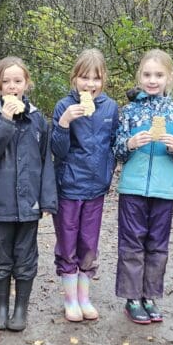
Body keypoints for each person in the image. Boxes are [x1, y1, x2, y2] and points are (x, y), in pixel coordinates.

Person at [112, 49, 173, 324]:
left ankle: (150, 295)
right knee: (131, 243)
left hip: (164, 189)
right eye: (147, 74)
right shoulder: (130, 111)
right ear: (140, 77)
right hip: (133, 188)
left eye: (158, 75)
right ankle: (132, 298)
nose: (152, 80)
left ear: (169, 77)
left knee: (158, 245)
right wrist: (130, 143)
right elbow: (116, 150)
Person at [0, 56, 57, 331]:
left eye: (17, 81)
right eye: (6, 81)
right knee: (0, 256)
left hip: (29, 204)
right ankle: (1, 307)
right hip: (0, 202)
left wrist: (47, 199)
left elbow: (47, 160)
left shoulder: (38, 120)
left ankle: (20, 309)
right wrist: (5, 120)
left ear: (26, 84)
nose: (12, 87)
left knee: (25, 256)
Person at [50, 48, 119, 322]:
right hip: (68, 186)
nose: (90, 84)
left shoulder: (111, 108)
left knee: (89, 243)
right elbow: (58, 150)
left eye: (96, 78)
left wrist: (107, 171)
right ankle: (70, 300)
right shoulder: (62, 106)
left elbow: (113, 144)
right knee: (68, 242)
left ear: (104, 80)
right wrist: (65, 122)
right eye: (84, 77)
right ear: (74, 78)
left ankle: (84, 297)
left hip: (96, 187)